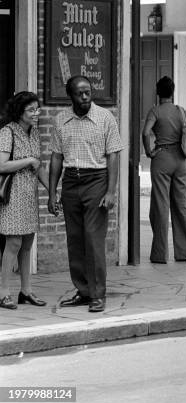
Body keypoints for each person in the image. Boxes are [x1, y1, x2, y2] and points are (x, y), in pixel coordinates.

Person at [48, 75, 124, 313]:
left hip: (96, 180)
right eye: (79, 93)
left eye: (88, 92)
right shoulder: (61, 120)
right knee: (75, 240)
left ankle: (98, 294)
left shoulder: (105, 118)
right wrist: (52, 192)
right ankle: (83, 291)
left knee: (93, 239)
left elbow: (113, 155)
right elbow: (56, 157)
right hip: (71, 181)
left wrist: (111, 191)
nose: (85, 97)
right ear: (70, 95)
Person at [0, 92, 49, 310]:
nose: (36, 113)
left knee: (28, 243)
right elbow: (1, 165)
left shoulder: (35, 133)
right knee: (13, 243)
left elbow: (40, 167)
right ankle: (3, 292)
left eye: (37, 109)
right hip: (12, 196)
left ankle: (26, 291)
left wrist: (53, 192)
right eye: (31, 110)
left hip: (29, 195)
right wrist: (28, 160)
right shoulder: (7, 132)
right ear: (20, 112)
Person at [142, 76, 186, 264]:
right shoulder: (180, 111)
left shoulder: (155, 111)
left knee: (161, 206)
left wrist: (149, 151)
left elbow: (146, 132)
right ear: (173, 91)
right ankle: (185, 251)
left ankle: (160, 254)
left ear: (157, 92)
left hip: (161, 158)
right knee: (181, 205)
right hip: (179, 159)